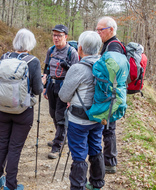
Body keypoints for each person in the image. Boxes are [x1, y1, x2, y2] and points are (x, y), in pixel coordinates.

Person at [0, 28, 43, 190]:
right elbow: (37, 90)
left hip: (2, 109)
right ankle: (11, 185)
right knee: (14, 148)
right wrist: (43, 81)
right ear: (31, 43)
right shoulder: (33, 61)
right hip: (22, 111)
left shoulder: (5, 57)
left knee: (2, 144)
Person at [59, 31, 104, 190]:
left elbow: (64, 96)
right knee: (96, 148)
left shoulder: (78, 68)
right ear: (99, 48)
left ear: (80, 49)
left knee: (79, 155)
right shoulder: (105, 65)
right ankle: (97, 183)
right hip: (99, 116)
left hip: (79, 120)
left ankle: (78, 187)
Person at [42, 24, 79, 159]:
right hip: (52, 84)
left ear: (66, 37)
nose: (56, 38)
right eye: (54, 35)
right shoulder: (51, 50)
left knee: (61, 116)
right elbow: (46, 67)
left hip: (65, 86)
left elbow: (76, 73)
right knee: (53, 113)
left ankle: (57, 146)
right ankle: (61, 136)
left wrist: (72, 95)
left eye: (59, 35)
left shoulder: (72, 52)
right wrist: (45, 87)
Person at [96, 16, 125, 174]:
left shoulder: (113, 47)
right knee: (108, 127)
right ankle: (109, 160)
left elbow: (111, 73)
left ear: (111, 30)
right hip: (111, 93)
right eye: (97, 29)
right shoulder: (109, 44)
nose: (98, 32)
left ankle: (110, 162)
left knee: (108, 128)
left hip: (111, 94)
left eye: (101, 29)